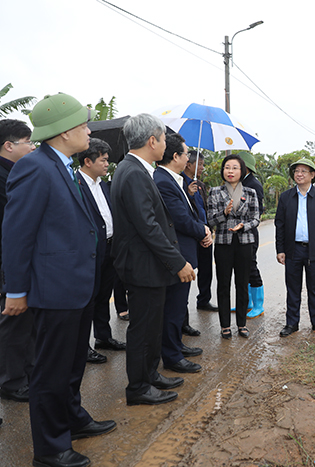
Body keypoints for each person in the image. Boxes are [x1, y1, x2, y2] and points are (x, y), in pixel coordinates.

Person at [2, 93, 115, 467]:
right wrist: (17, 290)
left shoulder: (63, 166)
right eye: (84, 125)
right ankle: (50, 449)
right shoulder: (35, 167)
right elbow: (17, 234)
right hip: (54, 290)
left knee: (71, 364)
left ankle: (72, 418)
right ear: (65, 131)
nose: (88, 131)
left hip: (77, 286)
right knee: (50, 372)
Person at [111, 113, 195, 406]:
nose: (164, 145)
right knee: (143, 329)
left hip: (147, 264)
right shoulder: (134, 172)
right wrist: (178, 262)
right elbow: (148, 226)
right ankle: (138, 387)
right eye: (162, 139)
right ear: (152, 141)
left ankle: (149, 375)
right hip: (143, 265)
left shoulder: (135, 168)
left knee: (151, 326)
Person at [154, 133, 211, 374]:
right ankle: (172, 356)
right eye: (187, 154)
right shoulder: (163, 181)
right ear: (176, 156)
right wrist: (203, 231)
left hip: (183, 252)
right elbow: (180, 219)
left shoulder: (174, 180)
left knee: (178, 307)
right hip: (176, 256)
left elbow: (188, 212)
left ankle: (176, 345)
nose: (189, 159)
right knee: (173, 308)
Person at [76, 138, 127, 366]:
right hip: (90, 251)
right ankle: (82, 346)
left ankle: (103, 337)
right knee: (88, 298)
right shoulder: (76, 185)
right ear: (88, 161)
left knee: (104, 295)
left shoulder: (104, 185)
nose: (107, 164)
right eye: (103, 160)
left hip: (109, 247)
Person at [275, 158, 315, 337]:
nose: (299, 174)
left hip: (314, 251)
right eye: (296, 171)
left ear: (312, 175)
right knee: (293, 288)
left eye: (303, 171)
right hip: (292, 250)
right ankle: (292, 323)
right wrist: (280, 250)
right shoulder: (286, 197)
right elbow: (280, 225)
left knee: (314, 288)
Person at [0, 119, 36, 404]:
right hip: (7, 264)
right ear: (8, 146)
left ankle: (23, 374)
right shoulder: (5, 178)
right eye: (28, 142)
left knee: (23, 324)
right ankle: (11, 381)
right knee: (12, 324)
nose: (33, 147)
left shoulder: (16, 173)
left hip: (17, 262)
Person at [207, 154, 260, 339]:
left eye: (234, 168)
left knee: (242, 284)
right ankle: (225, 326)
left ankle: (242, 324)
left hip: (245, 243)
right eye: (227, 167)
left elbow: (256, 218)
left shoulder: (250, 192)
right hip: (223, 243)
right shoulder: (215, 192)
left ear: (242, 171)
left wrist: (243, 226)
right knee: (223, 284)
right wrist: (224, 213)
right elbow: (210, 220)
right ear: (223, 171)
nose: (230, 171)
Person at [182, 150, 217, 317]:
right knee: (188, 269)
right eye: (200, 164)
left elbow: (205, 208)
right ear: (188, 164)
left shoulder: (201, 185)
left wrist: (209, 229)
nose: (203, 167)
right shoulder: (180, 183)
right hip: (189, 233)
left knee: (206, 268)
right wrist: (188, 193)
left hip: (205, 232)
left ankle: (204, 299)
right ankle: (182, 308)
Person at [239, 151, 265, 319]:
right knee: (242, 268)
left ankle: (258, 305)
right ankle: (246, 302)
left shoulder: (253, 184)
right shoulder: (239, 183)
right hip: (238, 233)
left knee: (251, 266)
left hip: (249, 232)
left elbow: (258, 211)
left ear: (245, 167)